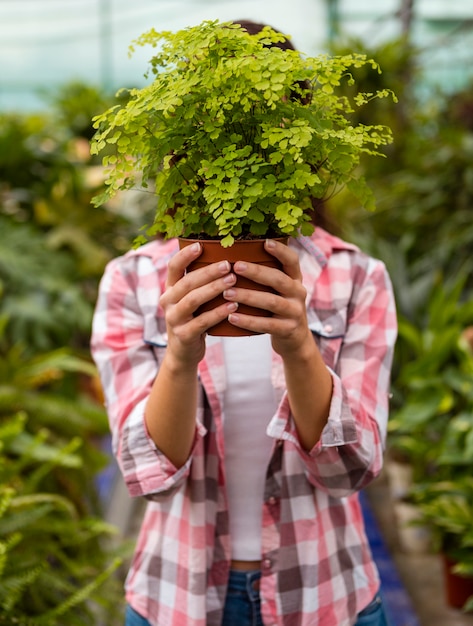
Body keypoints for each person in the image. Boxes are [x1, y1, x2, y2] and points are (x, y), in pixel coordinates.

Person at [91, 21, 397, 626]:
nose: (248, 149)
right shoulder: (133, 279)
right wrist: (179, 356)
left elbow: (352, 469)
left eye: (271, 130)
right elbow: (148, 476)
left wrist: (300, 349)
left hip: (326, 595)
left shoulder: (356, 277)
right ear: (182, 143)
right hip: (176, 596)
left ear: (303, 141)